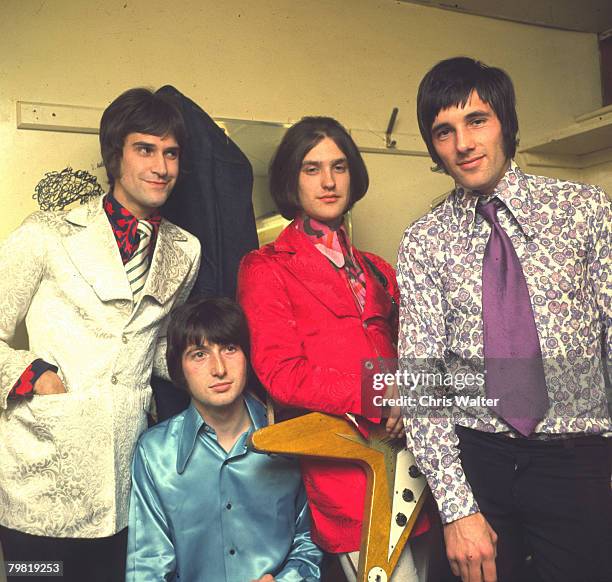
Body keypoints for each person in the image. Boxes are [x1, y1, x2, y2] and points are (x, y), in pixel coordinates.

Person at [397, 56, 611, 582]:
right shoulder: (424, 241)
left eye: (477, 120)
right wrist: (457, 508)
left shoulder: (583, 211)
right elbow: (422, 383)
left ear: (506, 124)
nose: (463, 144)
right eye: (444, 132)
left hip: (578, 459)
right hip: (478, 463)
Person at [0, 88, 201, 581]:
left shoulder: (185, 249)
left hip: (125, 484)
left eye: (171, 153)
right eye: (145, 149)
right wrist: (33, 374)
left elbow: (151, 349)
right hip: (39, 480)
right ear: (115, 155)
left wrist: (205, 366)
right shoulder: (47, 232)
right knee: (36, 577)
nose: (161, 166)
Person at [238, 117, 429, 582]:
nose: (328, 181)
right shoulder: (265, 267)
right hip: (348, 477)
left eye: (339, 166)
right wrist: (382, 392)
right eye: (312, 168)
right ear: (290, 179)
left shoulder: (379, 268)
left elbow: (419, 354)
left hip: (419, 467)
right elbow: (280, 372)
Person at [125, 296, 322, 581]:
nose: (219, 368)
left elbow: (311, 542)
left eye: (230, 348)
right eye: (199, 354)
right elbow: (146, 568)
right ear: (179, 368)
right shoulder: (155, 453)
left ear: (248, 355)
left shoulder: (288, 440)